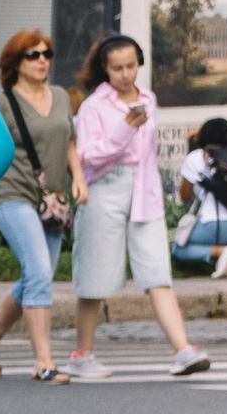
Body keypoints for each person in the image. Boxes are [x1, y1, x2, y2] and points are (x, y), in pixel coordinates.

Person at [67, 34, 209, 378]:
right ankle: (82, 354)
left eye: (131, 65)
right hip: (104, 188)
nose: (126, 74)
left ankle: (183, 350)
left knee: (157, 271)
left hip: (145, 191)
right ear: (105, 68)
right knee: (95, 276)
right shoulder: (94, 106)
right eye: (117, 68)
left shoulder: (148, 99)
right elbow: (87, 156)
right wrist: (124, 130)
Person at [0, 29, 80, 384]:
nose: (43, 60)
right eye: (33, 55)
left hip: (51, 199)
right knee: (39, 271)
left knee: (35, 277)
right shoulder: (2, 103)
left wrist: (79, 177)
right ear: (16, 62)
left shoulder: (60, 97)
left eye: (47, 54)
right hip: (12, 194)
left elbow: (69, 141)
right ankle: (43, 361)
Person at [173, 117, 227, 280]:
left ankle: (222, 252)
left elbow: (185, 197)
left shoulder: (197, 157)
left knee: (179, 247)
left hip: (217, 225)